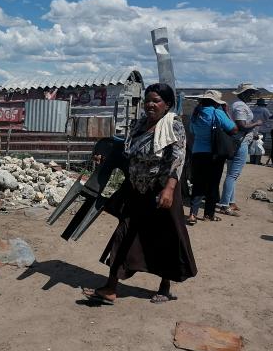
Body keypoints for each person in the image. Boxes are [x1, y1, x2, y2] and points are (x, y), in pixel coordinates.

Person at [82, 83, 197, 305]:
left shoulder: (174, 125)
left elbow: (178, 159)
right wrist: (107, 158)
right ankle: (111, 287)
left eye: (156, 100)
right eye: (148, 100)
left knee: (166, 238)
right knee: (123, 234)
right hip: (136, 190)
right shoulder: (138, 125)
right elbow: (127, 153)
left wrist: (169, 189)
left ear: (167, 104)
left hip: (161, 191)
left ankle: (165, 286)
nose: (150, 104)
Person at [186, 90, 238, 225]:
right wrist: (226, 112)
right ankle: (209, 214)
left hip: (197, 153)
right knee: (213, 184)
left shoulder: (196, 114)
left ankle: (192, 214)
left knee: (198, 183)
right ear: (216, 102)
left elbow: (192, 131)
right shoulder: (218, 112)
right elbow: (233, 129)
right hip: (215, 154)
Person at [219, 83, 263, 216]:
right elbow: (242, 125)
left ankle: (230, 201)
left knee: (231, 174)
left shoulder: (236, 104)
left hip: (237, 141)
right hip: (240, 142)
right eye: (250, 93)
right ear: (244, 93)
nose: (252, 96)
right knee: (233, 175)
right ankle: (225, 204)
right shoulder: (240, 106)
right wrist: (257, 123)